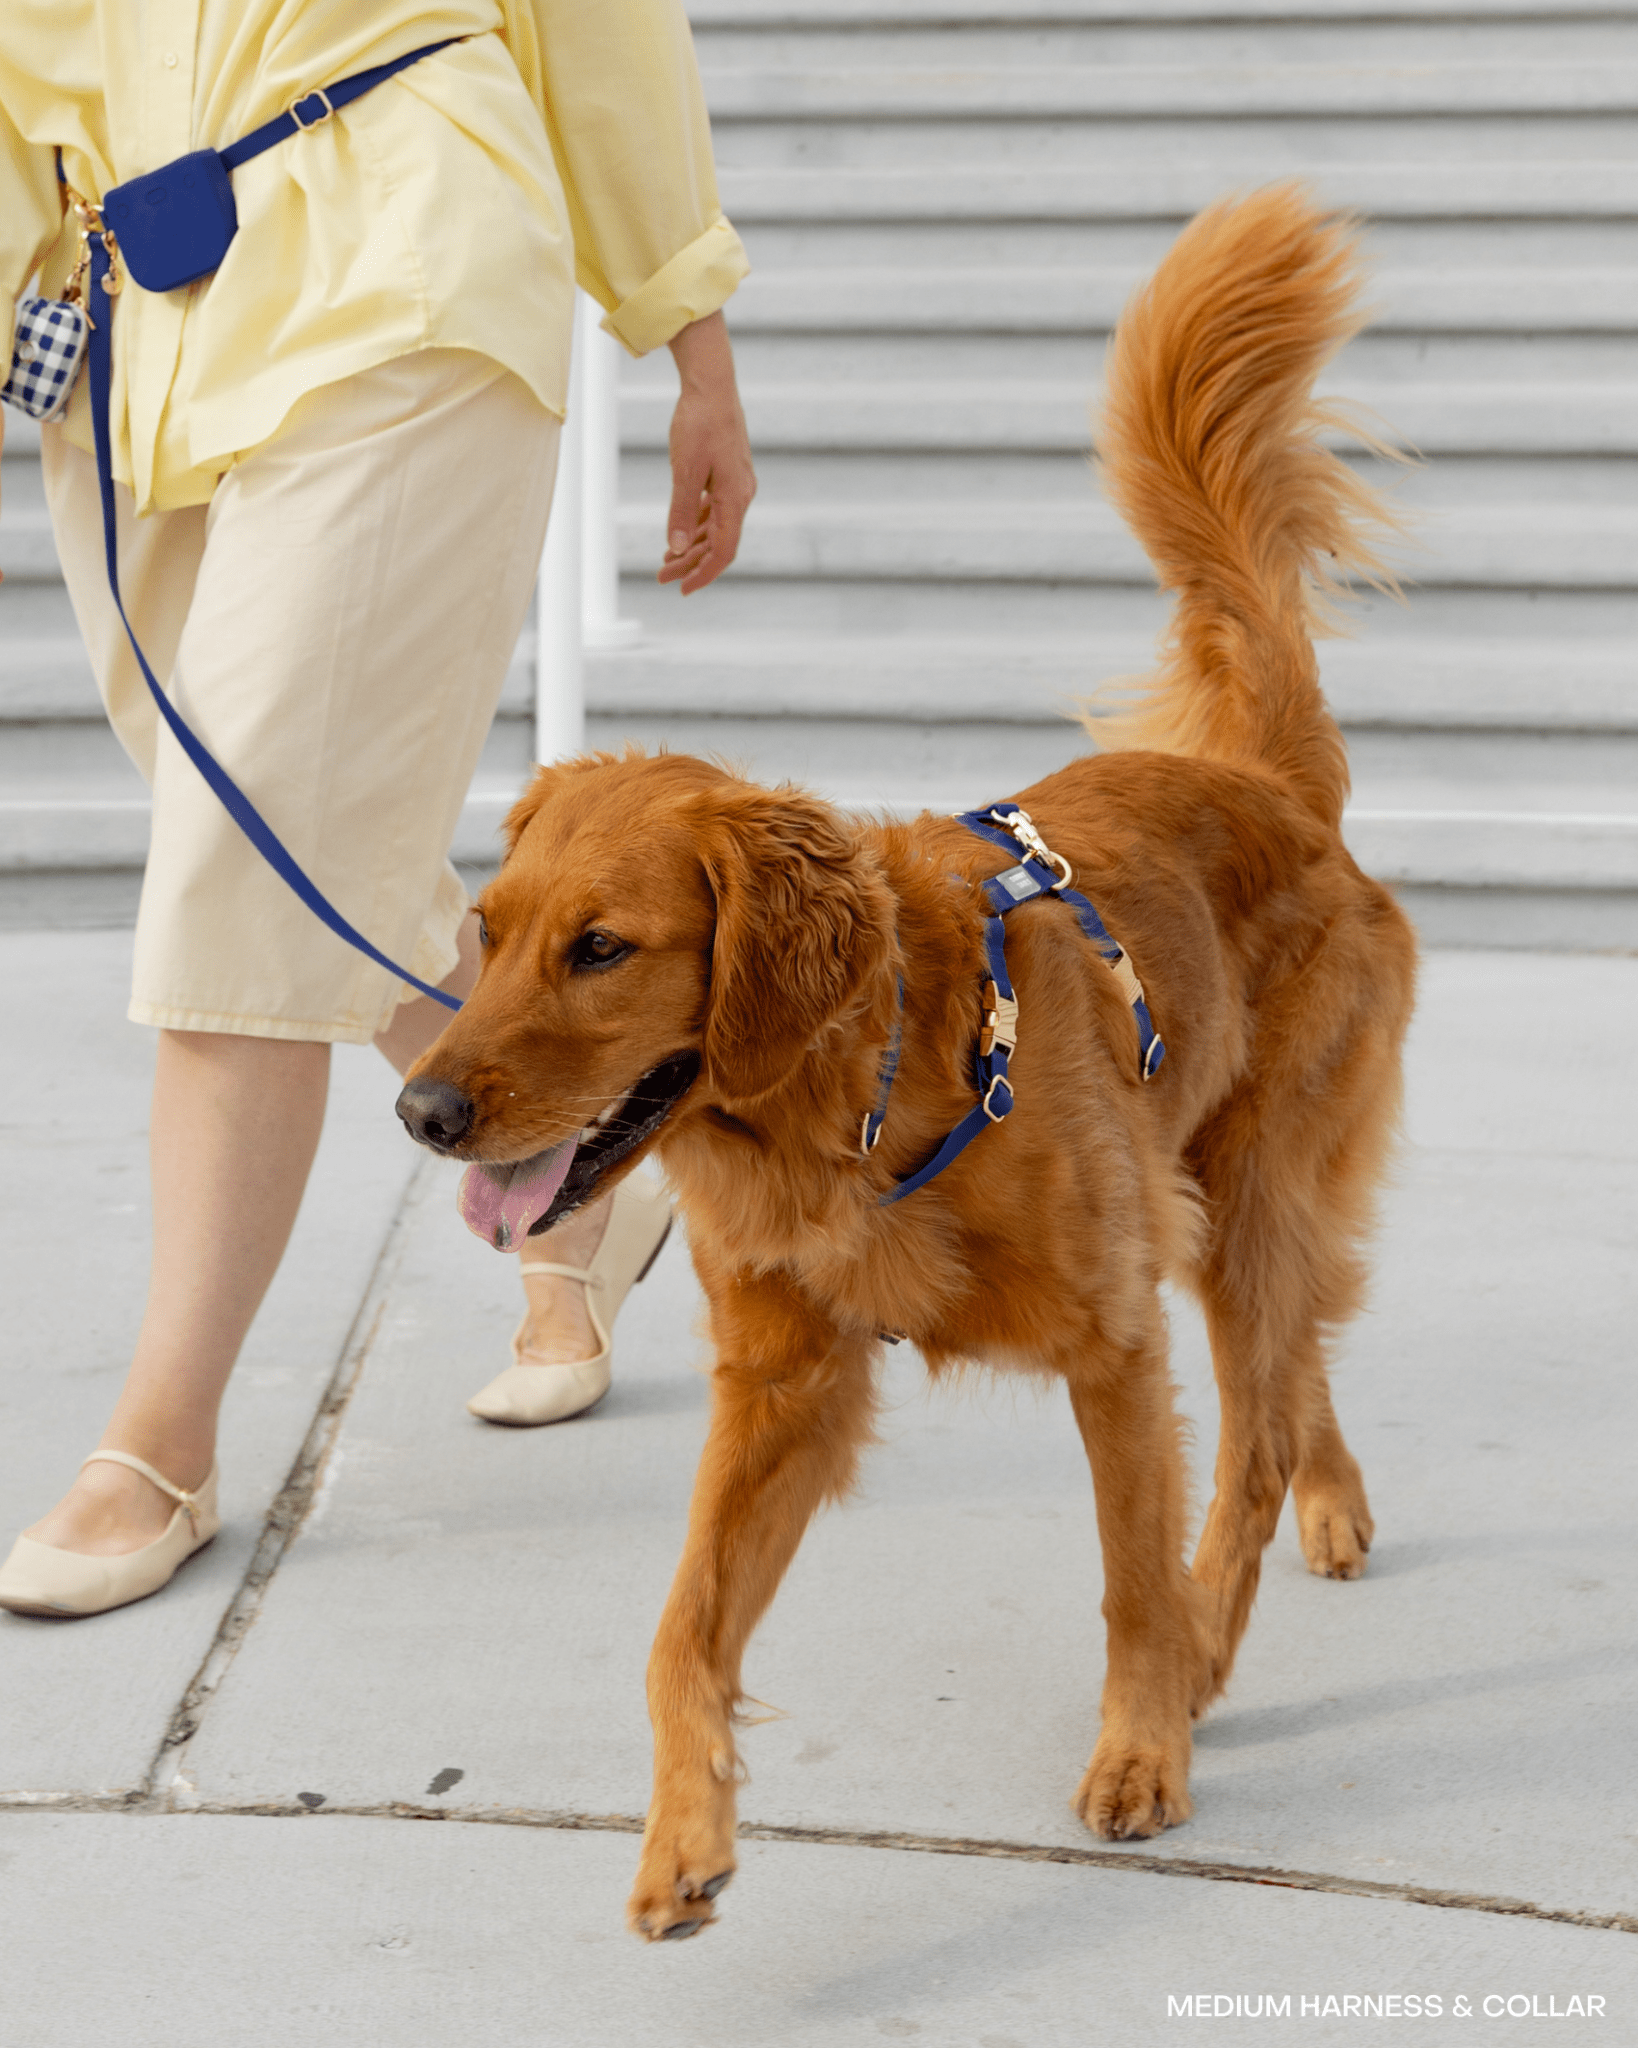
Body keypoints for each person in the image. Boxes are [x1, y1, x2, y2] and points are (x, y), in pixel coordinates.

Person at [0, 4, 755, 1617]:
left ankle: (162, 1439)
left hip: (400, 250)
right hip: (130, 324)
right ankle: (577, 1183)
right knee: (288, 855)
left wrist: (689, 333)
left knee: (236, 873)